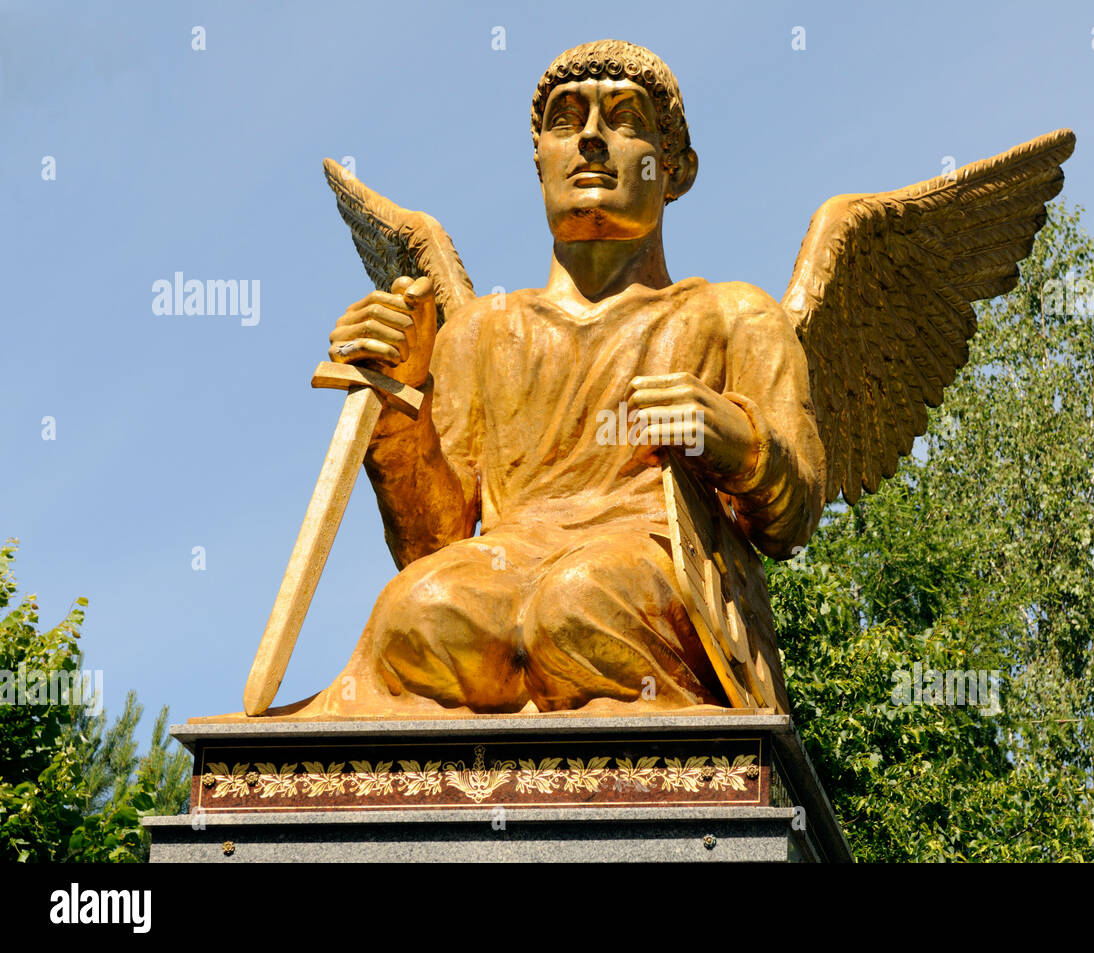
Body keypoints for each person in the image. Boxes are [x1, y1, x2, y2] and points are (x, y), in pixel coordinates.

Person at [291, 40, 825, 717]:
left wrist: (739, 443)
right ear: (539, 158)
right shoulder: (482, 331)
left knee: (579, 601)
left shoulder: (732, 315)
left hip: (651, 563)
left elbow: (792, 517)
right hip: (504, 570)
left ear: (677, 169)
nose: (592, 141)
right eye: (567, 121)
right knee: (418, 608)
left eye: (625, 118)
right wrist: (399, 409)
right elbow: (431, 546)